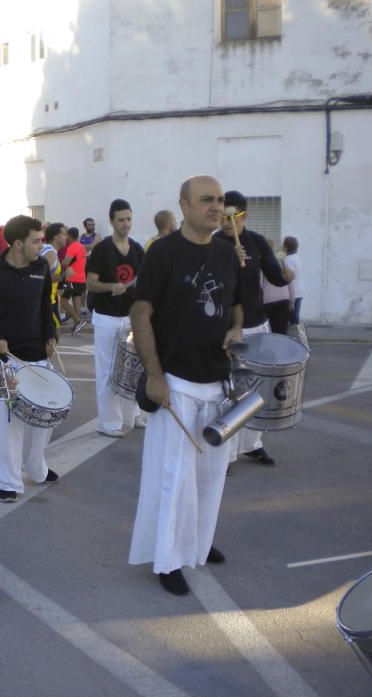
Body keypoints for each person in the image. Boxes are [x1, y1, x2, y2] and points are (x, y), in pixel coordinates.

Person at [128, 175, 243, 596]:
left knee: (211, 475)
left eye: (221, 200)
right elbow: (140, 314)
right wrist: (155, 376)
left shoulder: (228, 254)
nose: (217, 206)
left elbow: (235, 306)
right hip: (175, 382)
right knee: (172, 479)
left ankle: (196, 541)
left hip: (217, 382)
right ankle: (167, 559)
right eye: (207, 200)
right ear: (184, 206)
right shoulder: (162, 254)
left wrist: (236, 329)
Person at [0, 215, 60, 503]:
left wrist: (51, 334)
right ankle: (8, 480)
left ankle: (36, 466)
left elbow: (46, 303)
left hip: (37, 354)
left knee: (46, 416)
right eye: (36, 241)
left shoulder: (41, 267)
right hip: (2, 358)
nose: (41, 245)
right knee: (5, 423)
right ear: (18, 243)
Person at [214, 190, 293, 467]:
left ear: (244, 216)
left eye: (233, 217)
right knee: (231, 390)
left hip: (257, 323)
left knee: (256, 388)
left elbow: (274, 276)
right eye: (223, 217)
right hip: (228, 328)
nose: (227, 222)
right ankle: (227, 452)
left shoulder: (257, 242)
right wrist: (228, 261)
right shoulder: (213, 244)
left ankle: (251, 444)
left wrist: (285, 276)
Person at [86, 199, 146, 436]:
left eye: (129, 219)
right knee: (108, 370)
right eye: (121, 219)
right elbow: (91, 283)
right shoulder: (101, 250)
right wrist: (112, 286)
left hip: (130, 317)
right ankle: (109, 423)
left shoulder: (137, 249)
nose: (126, 224)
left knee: (133, 368)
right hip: (107, 317)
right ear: (112, 221)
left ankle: (134, 415)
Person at [261, 240, 295, 334]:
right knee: (281, 331)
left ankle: (270, 348)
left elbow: (259, 283)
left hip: (266, 301)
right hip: (284, 300)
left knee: (266, 331)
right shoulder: (282, 261)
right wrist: (292, 301)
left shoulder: (261, 263)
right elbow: (290, 282)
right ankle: (281, 347)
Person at [60, 226, 88, 335]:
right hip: (81, 279)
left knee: (63, 301)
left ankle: (79, 320)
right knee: (76, 302)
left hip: (72, 278)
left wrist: (60, 265)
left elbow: (66, 263)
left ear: (69, 236)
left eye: (66, 235)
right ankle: (76, 327)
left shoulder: (72, 247)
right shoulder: (82, 247)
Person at [41, 222, 70, 329]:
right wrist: (64, 275)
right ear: (55, 237)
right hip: (47, 301)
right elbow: (41, 277)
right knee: (54, 335)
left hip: (48, 300)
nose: (66, 237)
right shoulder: (50, 252)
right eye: (64, 234)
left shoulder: (47, 249)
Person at [283, 236, 303, 323]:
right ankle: (299, 335)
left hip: (292, 292)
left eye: (283, 245)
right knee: (295, 317)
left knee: (293, 319)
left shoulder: (287, 260)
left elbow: (290, 276)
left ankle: (297, 336)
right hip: (300, 291)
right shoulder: (297, 257)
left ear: (286, 247)